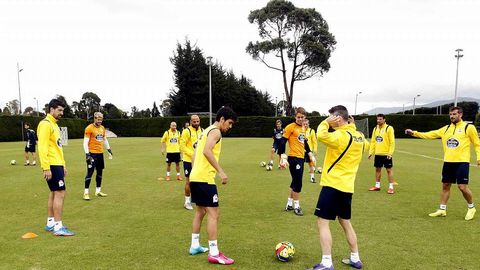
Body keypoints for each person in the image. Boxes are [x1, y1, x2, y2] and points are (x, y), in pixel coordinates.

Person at [307, 105, 368, 270]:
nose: (331, 120)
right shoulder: (359, 136)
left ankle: (326, 262)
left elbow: (321, 135)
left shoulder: (340, 135)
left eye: (332, 117)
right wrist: (352, 126)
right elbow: (367, 146)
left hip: (333, 185)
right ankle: (355, 258)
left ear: (338, 118)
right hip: (348, 187)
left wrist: (325, 122)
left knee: (322, 222)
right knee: (345, 222)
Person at [405, 106, 480, 220]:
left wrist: (479, 157)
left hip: (462, 162)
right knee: (445, 186)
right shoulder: (445, 129)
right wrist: (414, 133)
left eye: (454, 114)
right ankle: (442, 209)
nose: (452, 116)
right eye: (450, 114)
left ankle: (471, 207)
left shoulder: (468, 128)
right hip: (448, 162)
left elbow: (477, 143)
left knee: (462, 187)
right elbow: (430, 134)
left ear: (460, 115)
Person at [188, 106, 237, 265]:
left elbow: (195, 153)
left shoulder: (205, 130)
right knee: (214, 214)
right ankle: (214, 252)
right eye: (229, 123)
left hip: (196, 177)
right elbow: (207, 151)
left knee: (200, 211)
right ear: (222, 119)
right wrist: (221, 172)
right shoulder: (216, 131)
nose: (229, 127)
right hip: (204, 179)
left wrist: (194, 173)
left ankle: (194, 245)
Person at [37, 98, 74, 236]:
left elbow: (58, 147)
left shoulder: (55, 125)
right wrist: (46, 167)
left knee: (54, 192)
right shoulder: (45, 124)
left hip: (57, 164)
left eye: (62, 110)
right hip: (51, 164)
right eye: (59, 110)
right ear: (51, 109)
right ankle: (59, 227)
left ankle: (51, 223)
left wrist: (63, 165)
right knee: (60, 193)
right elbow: (42, 147)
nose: (61, 113)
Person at [278, 107, 315, 216]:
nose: (300, 119)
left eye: (302, 117)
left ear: (305, 117)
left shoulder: (303, 128)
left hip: (301, 157)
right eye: (298, 117)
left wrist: (309, 152)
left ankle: (289, 204)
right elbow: (282, 141)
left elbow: (305, 142)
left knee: (295, 181)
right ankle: (296, 206)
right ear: (295, 117)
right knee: (298, 182)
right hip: (293, 158)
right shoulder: (290, 127)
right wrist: (282, 155)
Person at [83, 112, 113, 200]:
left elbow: (104, 139)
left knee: (99, 173)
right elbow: (85, 142)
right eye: (98, 119)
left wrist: (109, 149)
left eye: (101, 120)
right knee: (90, 173)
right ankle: (86, 193)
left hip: (100, 154)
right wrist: (87, 154)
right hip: (92, 154)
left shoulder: (102, 128)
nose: (100, 121)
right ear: (94, 118)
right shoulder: (89, 128)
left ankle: (98, 191)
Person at [368, 114, 396, 194]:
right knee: (377, 169)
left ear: (384, 120)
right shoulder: (375, 128)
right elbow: (373, 141)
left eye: (380, 119)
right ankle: (377, 186)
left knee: (389, 170)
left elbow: (392, 142)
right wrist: (371, 152)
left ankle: (391, 187)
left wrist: (390, 153)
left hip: (386, 154)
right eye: (377, 119)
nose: (378, 121)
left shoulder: (389, 128)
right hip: (378, 154)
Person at [180, 115, 203, 210]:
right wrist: (192, 154)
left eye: (197, 121)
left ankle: (197, 199)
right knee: (188, 181)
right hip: (188, 160)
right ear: (190, 122)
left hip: (199, 161)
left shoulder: (202, 131)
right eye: (194, 122)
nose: (196, 123)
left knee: (199, 180)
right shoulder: (186, 131)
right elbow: (182, 146)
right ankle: (187, 201)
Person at [304, 119, 318, 183]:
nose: (305, 125)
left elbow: (314, 141)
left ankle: (312, 178)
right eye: (304, 124)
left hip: (309, 151)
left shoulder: (311, 131)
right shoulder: (300, 130)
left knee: (311, 164)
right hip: (301, 150)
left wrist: (315, 150)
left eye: (306, 124)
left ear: (308, 124)